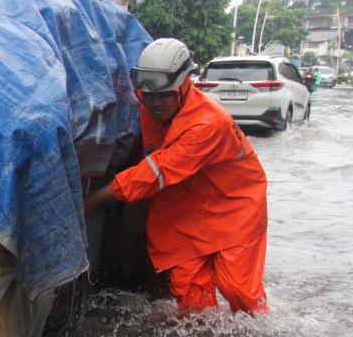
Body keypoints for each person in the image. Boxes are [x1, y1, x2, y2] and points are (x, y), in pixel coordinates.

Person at [82, 38, 269, 315]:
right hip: (187, 208)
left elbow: (157, 170)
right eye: (148, 95)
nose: (155, 103)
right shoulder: (148, 108)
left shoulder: (208, 123)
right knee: (191, 302)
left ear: (184, 84)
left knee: (239, 292)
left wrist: (95, 200)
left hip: (235, 207)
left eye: (164, 95)